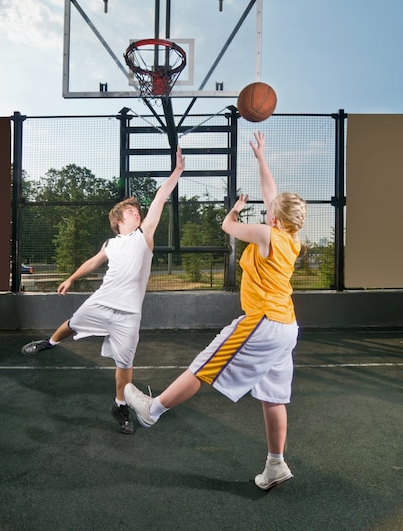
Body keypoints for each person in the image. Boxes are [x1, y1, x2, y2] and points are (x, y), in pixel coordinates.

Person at [125, 132, 306, 490]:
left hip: (263, 322)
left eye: (270, 211)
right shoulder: (292, 238)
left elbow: (228, 227)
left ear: (274, 218)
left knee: (205, 363)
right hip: (287, 327)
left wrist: (235, 211)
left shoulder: (267, 235)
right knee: (273, 396)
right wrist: (261, 158)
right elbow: (272, 195)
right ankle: (275, 464)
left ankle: (153, 410)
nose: (267, 209)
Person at [22, 146, 185, 435]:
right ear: (118, 220)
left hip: (129, 314)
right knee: (72, 324)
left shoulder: (144, 236)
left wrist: (176, 173)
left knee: (125, 365)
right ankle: (50, 343)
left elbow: (160, 198)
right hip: (101, 301)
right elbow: (93, 262)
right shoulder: (111, 244)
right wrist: (71, 278)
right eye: (130, 210)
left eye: (138, 210)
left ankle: (120, 406)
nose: (137, 211)